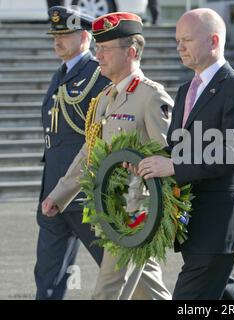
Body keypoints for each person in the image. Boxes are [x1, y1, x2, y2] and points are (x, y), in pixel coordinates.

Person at [127, 8, 234, 300]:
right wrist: (143, 161)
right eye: (178, 40)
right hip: (193, 218)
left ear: (214, 41)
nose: (179, 46)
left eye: (186, 39)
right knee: (224, 294)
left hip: (219, 221)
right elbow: (177, 146)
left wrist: (173, 165)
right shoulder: (186, 88)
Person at [41, 12, 173, 300]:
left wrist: (153, 212)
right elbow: (89, 151)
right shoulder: (105, 98)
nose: (97, 54)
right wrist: (60, 194)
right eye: (97, 47)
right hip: (111, 210)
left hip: (136, 214)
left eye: (105, 48)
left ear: (132, 52)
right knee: (147, 291)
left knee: (107, 291)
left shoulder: (152, 97)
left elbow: (169, 156)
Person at [35, 6, 110, 300]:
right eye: (55, 34)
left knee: (114, 267)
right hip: (54, 188)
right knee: (48, 274)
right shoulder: (62, 73)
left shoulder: (97, 75)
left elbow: (100, 133)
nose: (58, 40)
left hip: (84, 191)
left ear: (85, 37)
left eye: (65, 34)